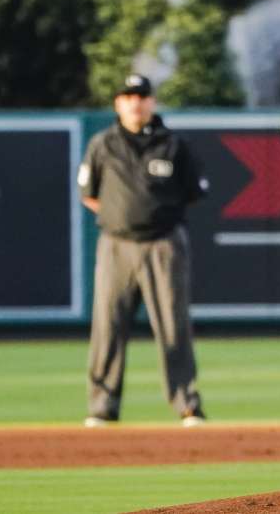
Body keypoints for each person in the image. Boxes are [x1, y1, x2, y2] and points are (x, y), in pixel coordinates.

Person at [78, 74, 208, 428]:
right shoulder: (102, 144)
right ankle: (102, 406)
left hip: (164, 243)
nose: (136, 102)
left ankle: (187, 404)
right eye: (128, 96)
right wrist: (121, 216)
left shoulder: (174, 145)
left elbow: (195, 192)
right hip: (116, 244)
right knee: (107, 325)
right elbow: (89, 194)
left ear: (151, 102)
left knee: (173, 325)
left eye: (142, 95)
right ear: (118, 103)